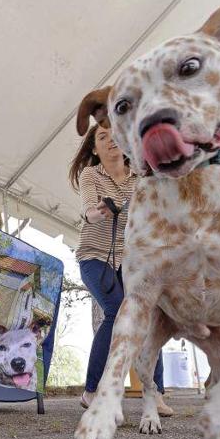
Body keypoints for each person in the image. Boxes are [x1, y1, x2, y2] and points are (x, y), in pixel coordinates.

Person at [69, 123, 172, 416]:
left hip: (129, 260)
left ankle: (156, 394)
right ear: (94, 148)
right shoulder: (91, 174)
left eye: (116, 137)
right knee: (116, 312)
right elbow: (88, 208)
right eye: (103, 137)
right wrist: (98, 212)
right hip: (94, 258)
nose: (111, 141)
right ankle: (92, 392)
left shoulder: (139, 179)